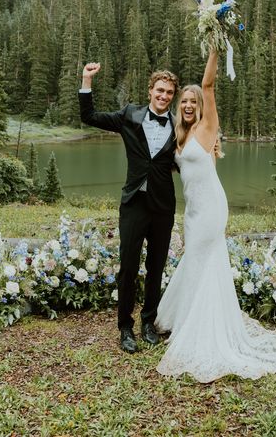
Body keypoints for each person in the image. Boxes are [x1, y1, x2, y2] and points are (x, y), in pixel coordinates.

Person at [155, 48, 276, 382]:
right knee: (195, 262)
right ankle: (188, 318)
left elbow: (208, 86)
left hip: (211, 209)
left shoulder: (207, 128)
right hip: (192, 211)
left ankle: (203, 329)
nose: (189, 105)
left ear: (199, 106)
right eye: (184, 102)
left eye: (192, 101)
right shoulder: (179, 136)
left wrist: (215, 47)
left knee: (205, 263)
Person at [79, 63, 179, 354]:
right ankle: (125, 327)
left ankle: (149, 322)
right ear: (150, 90)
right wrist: (87, 79)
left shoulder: (178, 125)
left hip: (163, 206)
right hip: (134, 203)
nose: (163, 96)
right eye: (159, 90)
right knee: (128, 267)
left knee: (157, 266)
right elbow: (88, 116)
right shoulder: (129, 115)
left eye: (169, 92)